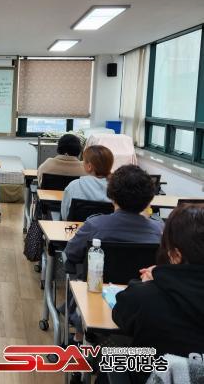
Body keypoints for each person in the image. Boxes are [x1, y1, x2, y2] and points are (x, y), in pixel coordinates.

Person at [112, 203, 204, 383]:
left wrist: (149, 283)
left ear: (175, 255)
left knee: (111, 357)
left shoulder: (145, 297)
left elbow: (120, 315)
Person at [64, 164, 164, 266]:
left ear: (111, 196)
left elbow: (72, 254)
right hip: (143, 276)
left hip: (98, 276)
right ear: (149, 200)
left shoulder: (94, 226)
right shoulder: (160, 231)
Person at [60, 145, 113, 220]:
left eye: (83, 161)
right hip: (108, 227)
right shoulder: (117, 189)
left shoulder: (73, 186)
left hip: (77, 227)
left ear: (89, 167)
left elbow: (64, 216)